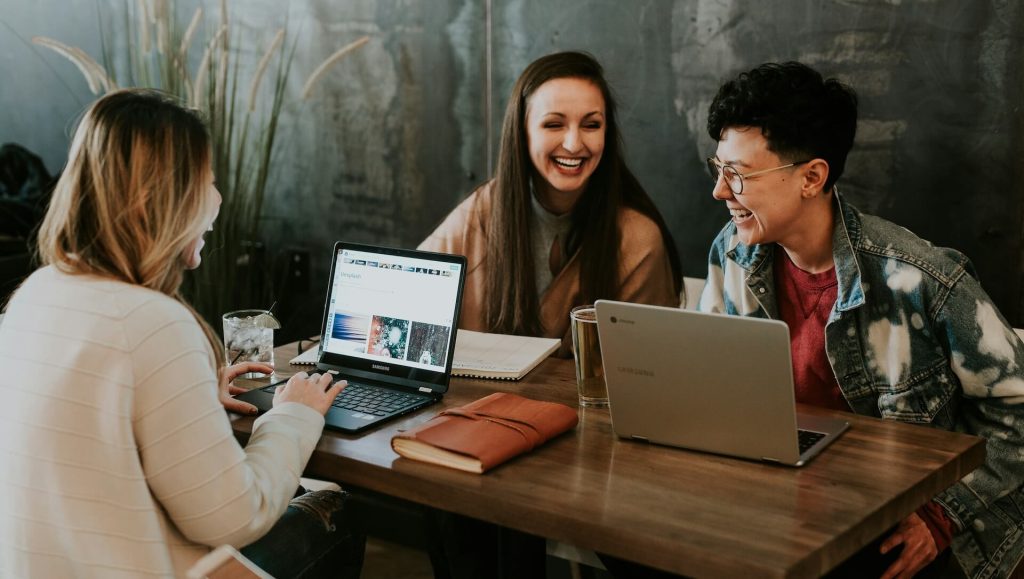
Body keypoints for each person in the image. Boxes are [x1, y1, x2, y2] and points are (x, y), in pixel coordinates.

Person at [0, 89, 364, 578]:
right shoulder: (154, 323)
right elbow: (235, 518)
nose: (217, 199)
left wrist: (189, 394)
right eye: (208, 181)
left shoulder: (34, 294)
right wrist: (293, 416)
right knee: (338, 512)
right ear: (164, 198)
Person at [699, 62, 1024, 579]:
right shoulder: (732, 252)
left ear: (812, 177)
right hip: (782, 504)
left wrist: (943, 518)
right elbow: (708, 383)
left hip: (897, 523)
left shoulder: (920, 279)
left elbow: (1017, 410)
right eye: (717, 167)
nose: (719, 190)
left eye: (737, 174)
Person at [419, 50, 682, 356]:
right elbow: (407, 299)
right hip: (476, 403)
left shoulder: (638, 239)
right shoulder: (480, 212)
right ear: (522, 133)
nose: (573, 144)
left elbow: (650, 368)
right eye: (554, 125)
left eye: (591, 125)